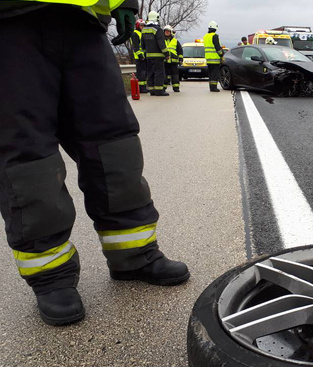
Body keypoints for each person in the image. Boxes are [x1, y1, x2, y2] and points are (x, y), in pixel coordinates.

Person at [0, 1, 190, 326]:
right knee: (27, 155)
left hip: (85, 20)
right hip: (11, 21)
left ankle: (133, 254)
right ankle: (51, 275)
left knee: (114, 143)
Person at [142, 11, 169, 96]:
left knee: (150, 73)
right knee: (159, 73)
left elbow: (142, 44)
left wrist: (144, 54)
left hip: (148, 56)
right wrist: (166, 54)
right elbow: (161, 43)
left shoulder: (144, 30)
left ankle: (152, 90)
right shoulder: (158, 30)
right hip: (158, 56)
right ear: (156, 18)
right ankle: (159, 91)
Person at [203, 21, 223, 92]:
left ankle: (211, 87)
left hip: (208, 58)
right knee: (215, 74)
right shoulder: (215, 36)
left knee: (211, 74)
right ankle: (214, 87)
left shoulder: (205, 36)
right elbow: (217, 47)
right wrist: (221, 54)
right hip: (215, 58)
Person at [163, 25, 183, 93]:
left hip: (174, 62)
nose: (167, 32)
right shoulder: (162, 40)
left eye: (168, 31)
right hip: (165, 61)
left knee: (175, 75)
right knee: (164, 75)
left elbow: (180, 51)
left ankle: (176, 87)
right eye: (165, 31)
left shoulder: (175, 41)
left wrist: (180, 59)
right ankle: (163, 88)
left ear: (171, 32)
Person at [131, 18, 148, 93]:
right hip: (139, 57)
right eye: (141, 25)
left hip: (144, 57)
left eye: (144, 26)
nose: (143, 27)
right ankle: (141, 88)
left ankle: (144, 87)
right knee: (141, 73)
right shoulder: (135, 33)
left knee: (144, 73)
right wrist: (140, 55)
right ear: (138, 26)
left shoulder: (143, 33)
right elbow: (136, 46)